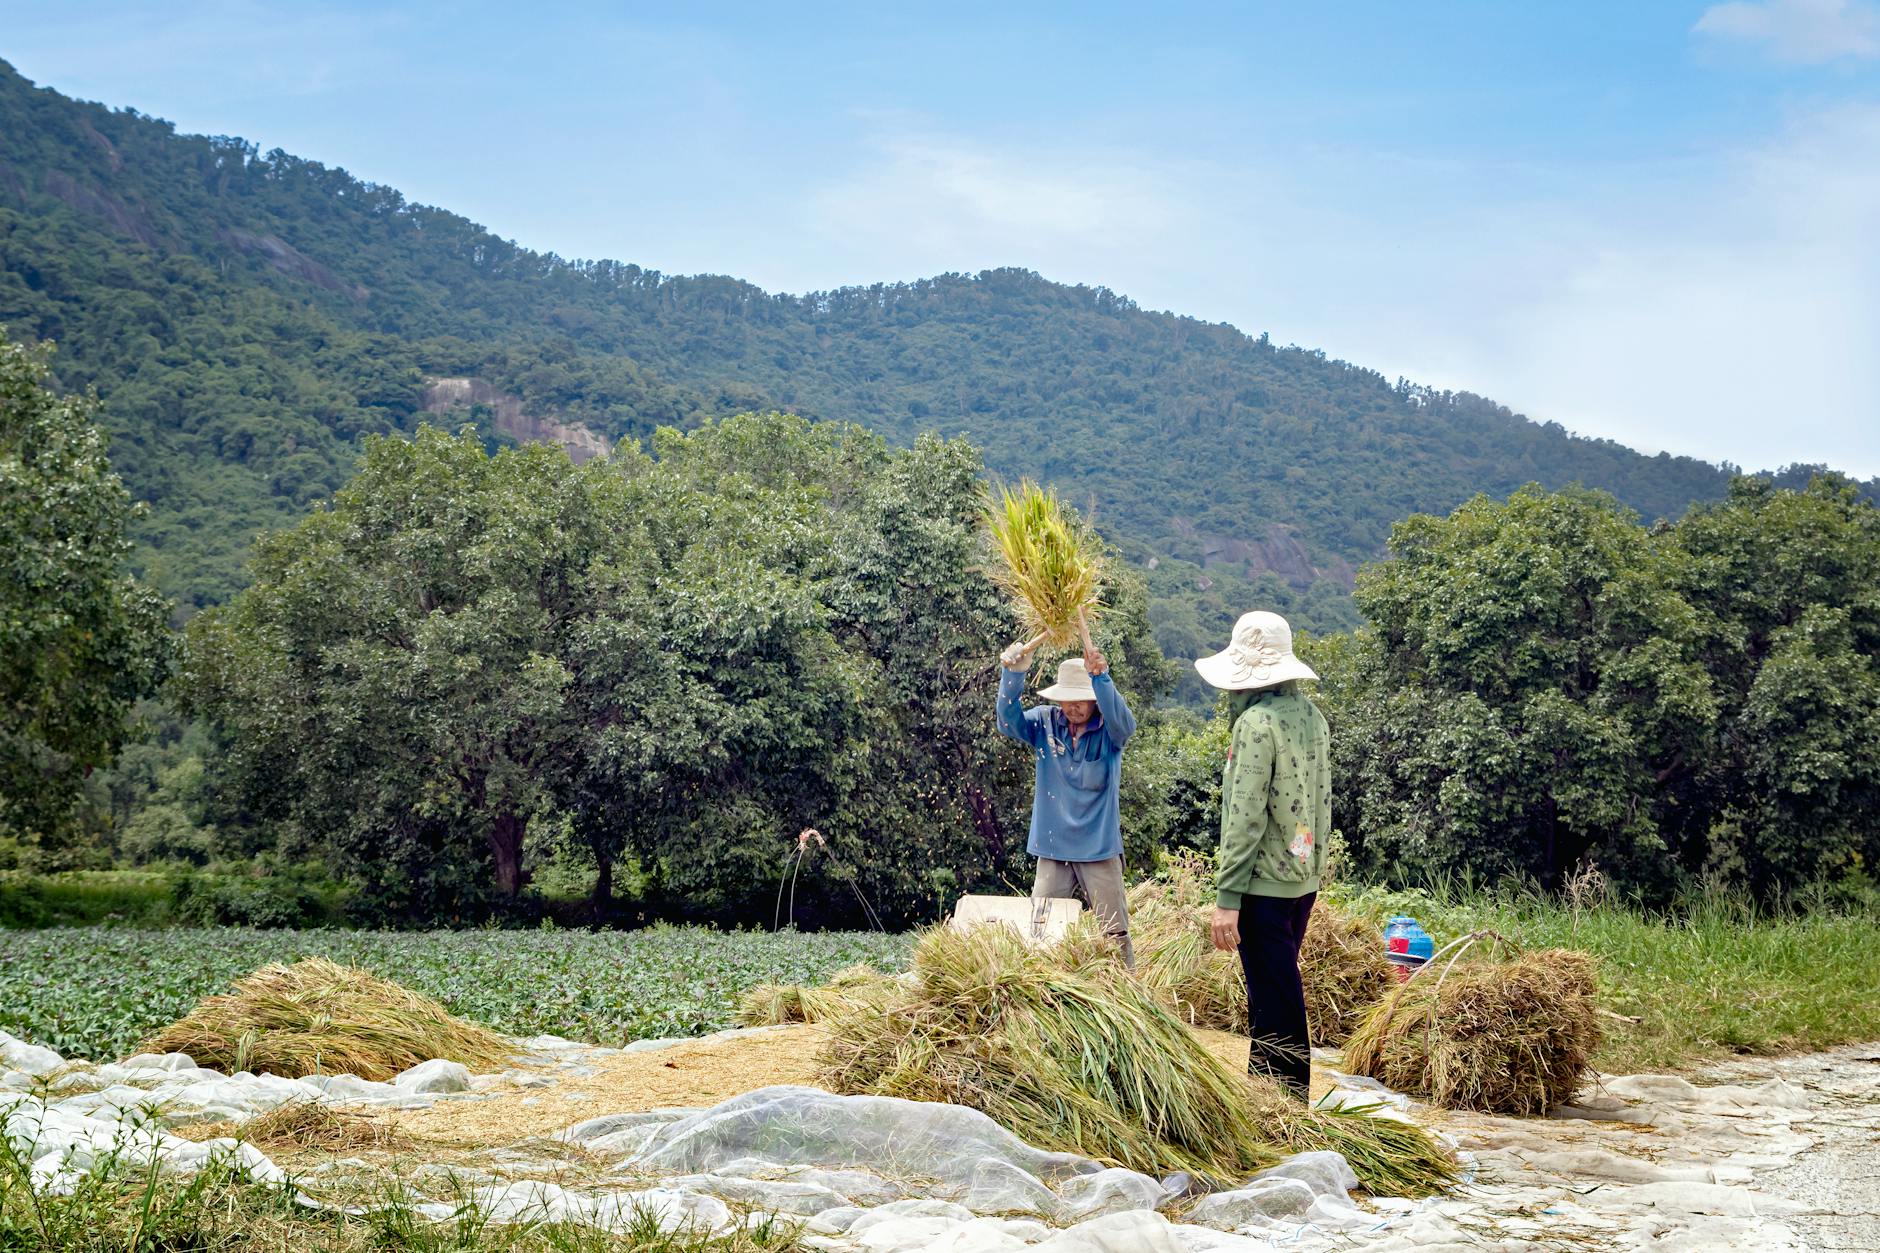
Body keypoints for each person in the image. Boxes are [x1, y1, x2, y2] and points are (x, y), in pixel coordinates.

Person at [1196, 610, 1329, 1100]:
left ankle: (1287, 1103)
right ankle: (1264, 1093)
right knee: (1272, 988)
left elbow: (1246, 817)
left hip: (1264, 884)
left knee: (1275, 997)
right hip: (1302, 879)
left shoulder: (1256, 723)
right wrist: (1312, 867)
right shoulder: (1310, 716)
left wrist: (1227, 897)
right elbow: (1319, 802)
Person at [997, 622, 1137, 965]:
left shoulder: (1110, 734)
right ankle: (1040, 995)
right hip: (1053, 847)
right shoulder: (1045, 724)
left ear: (1094, 701)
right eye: (1066, 700)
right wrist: (1013, 674)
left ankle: (1127, 995)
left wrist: (1101, 678)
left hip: (1099, 848)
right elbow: (1007, 721)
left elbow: (1127, 724)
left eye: (1082, 701)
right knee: (1041, 930)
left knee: (1113, 933)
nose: (1072, 708)